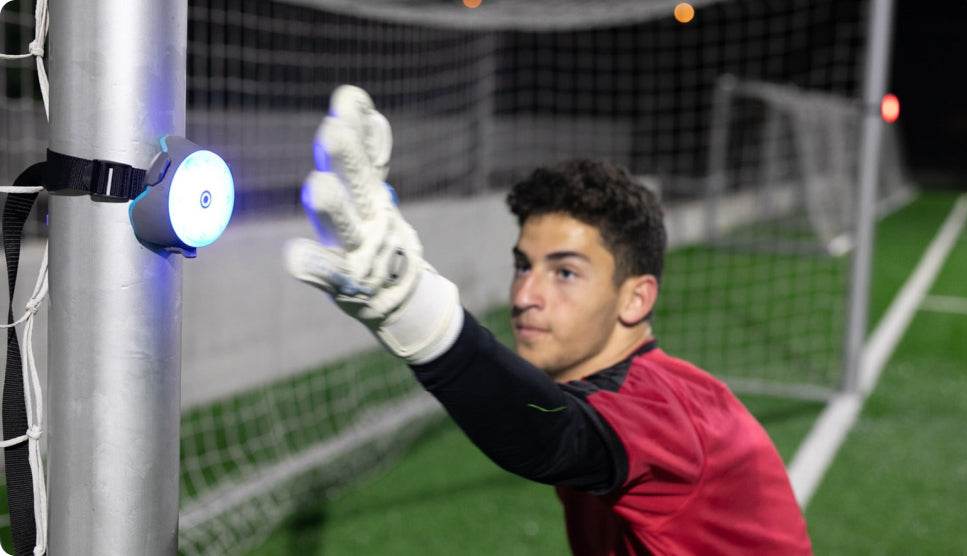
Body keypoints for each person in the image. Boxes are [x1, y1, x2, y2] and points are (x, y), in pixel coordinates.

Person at [284, 85, 813, 555]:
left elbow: (548, 431)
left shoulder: (665, 409)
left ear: (635, 300)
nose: (525, 295)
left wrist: (410, 307)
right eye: (523, 265)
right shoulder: (600, 389)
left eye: (565, 272)